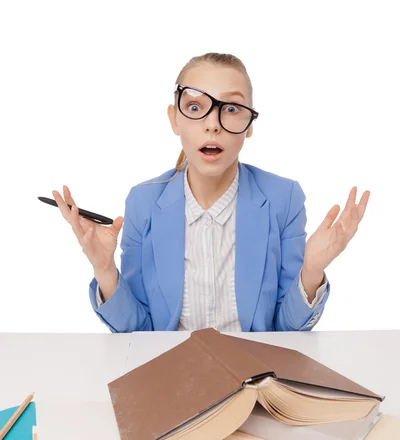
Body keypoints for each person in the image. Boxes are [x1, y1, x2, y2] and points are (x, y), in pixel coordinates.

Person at [52, 52, 369, 333]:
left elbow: (285, 330)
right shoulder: (144, 202)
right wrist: (105, 271)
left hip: (254, 376)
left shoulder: (282, 198)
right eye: (194, 107)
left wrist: (311, 271)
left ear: (249, 124)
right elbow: (140, 331)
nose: (212, 124)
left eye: (231, 108)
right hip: (172, 377)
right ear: (174, 119)